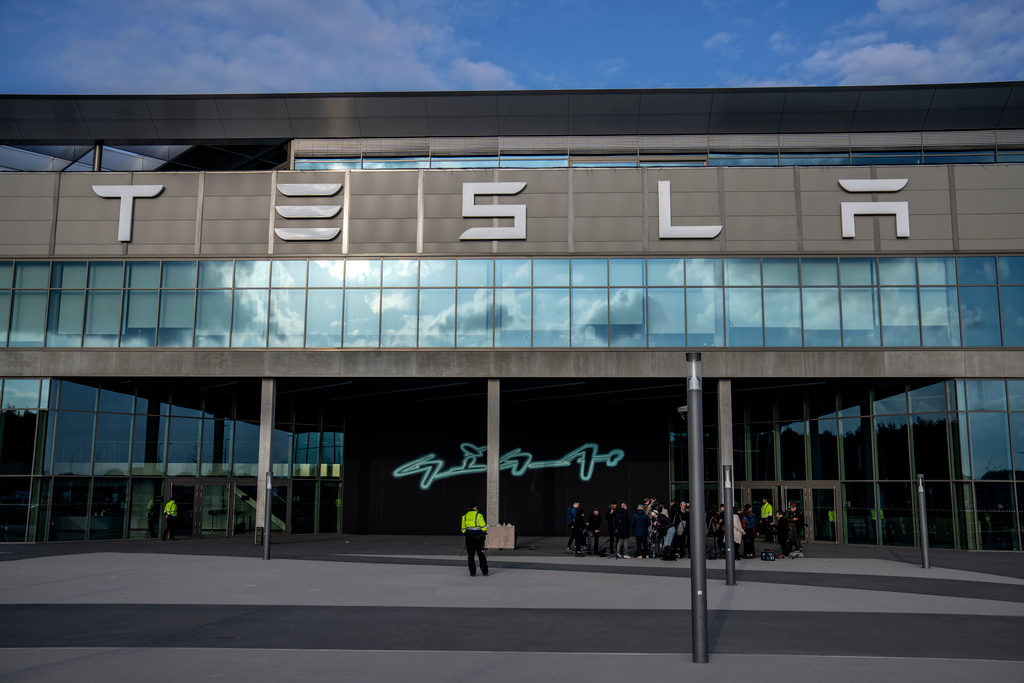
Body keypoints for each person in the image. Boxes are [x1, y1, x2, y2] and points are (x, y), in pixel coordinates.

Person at [460, 502, 488, 577]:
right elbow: (484, 527)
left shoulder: (464, 516)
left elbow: (463, 529)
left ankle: (472, 572)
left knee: (470, 555)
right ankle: (484, 571)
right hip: (478, 537)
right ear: (475, 508)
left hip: (469, 537)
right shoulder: (479, 516)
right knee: (481, 554)